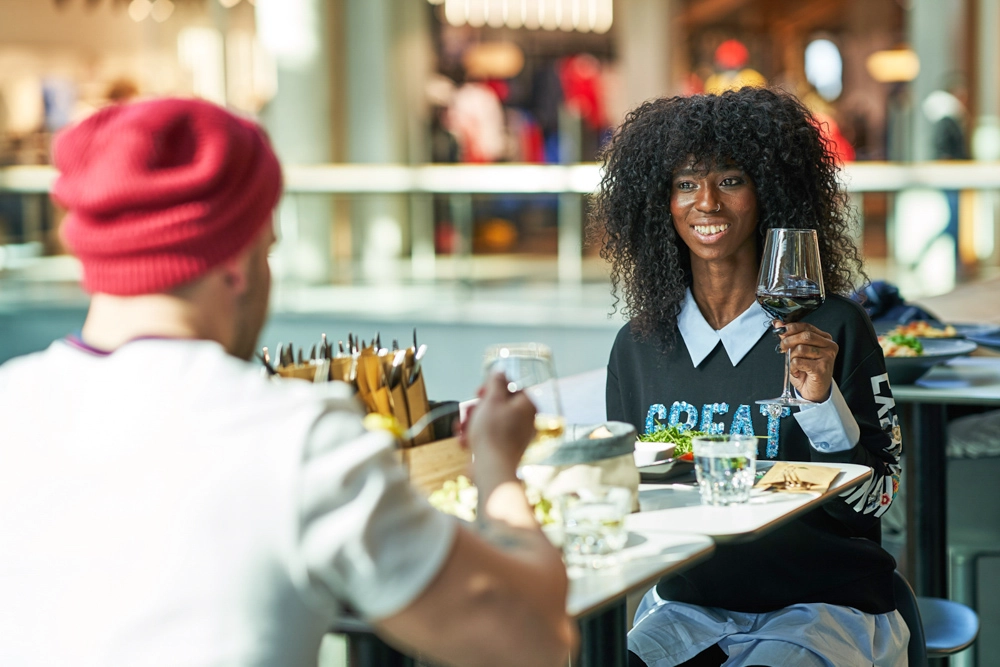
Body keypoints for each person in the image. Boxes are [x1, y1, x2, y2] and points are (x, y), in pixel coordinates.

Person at [0, 98, 576, 667]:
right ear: (234, 261)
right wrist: (498, 465)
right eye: (267, 248)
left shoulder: (12, 406)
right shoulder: (298, 438)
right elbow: (533, 640)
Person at [591, 87, 906, 667]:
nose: (706, 201)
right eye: (686, 183)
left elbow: (878, 501)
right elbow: (628, 498)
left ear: (768, 193)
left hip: (824, 606)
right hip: (689, 609)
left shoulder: (832, 327)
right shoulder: (637, 347)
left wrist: (822, 405)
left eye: (731, 180)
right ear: (661, 201)